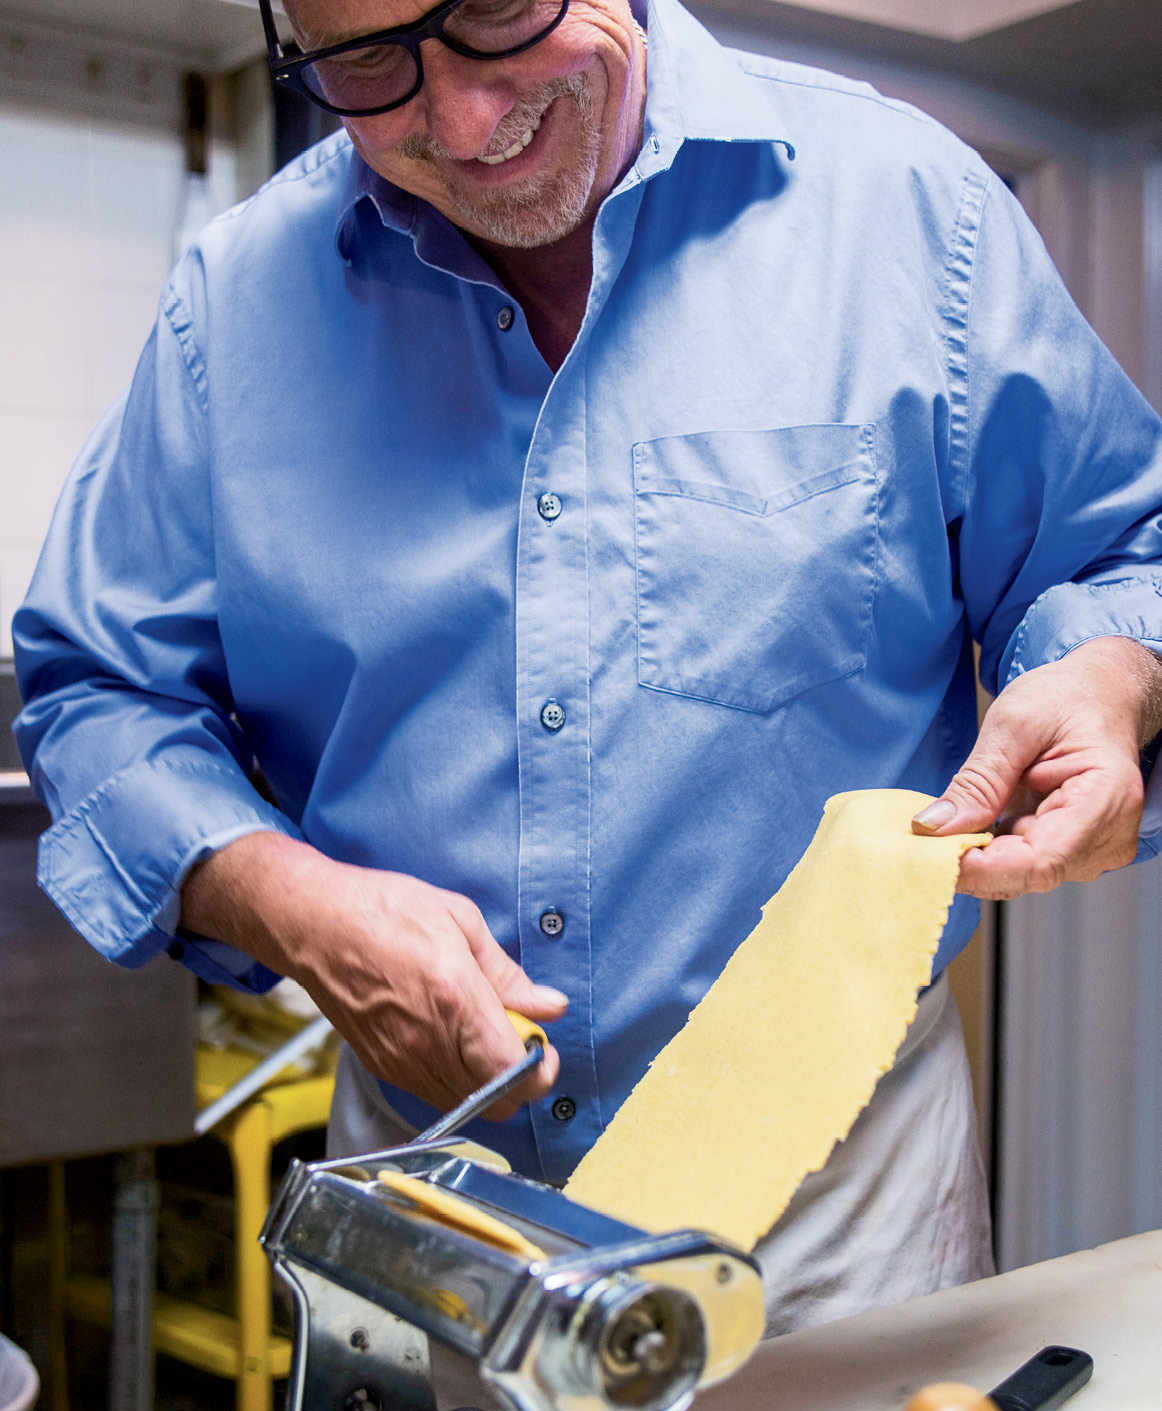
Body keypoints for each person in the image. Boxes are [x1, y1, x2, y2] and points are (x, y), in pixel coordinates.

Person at [14, 0, 1162, 1332]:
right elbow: (101, 689)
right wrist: (281, 899)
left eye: (497, 12)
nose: (463, 121)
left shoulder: (909, 215)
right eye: (366, 62)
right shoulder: (234, 303)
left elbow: (1123, 551)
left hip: (836, 1213)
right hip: (430, 1203)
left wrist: (1111, 674)